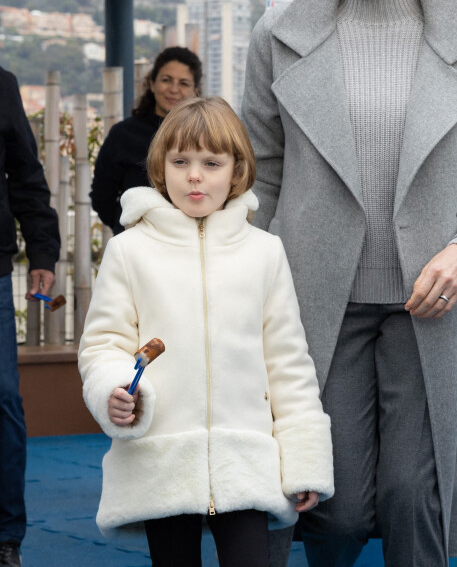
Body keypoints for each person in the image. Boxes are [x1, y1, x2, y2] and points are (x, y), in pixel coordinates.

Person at [241, 0, 457, 567]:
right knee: (332, 511)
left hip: (434, 301)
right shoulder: (278, 35)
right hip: (313, 298)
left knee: (413, 501)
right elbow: (258, 173)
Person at [78, 96, 334, 567]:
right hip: (160, 459)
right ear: (161, 168)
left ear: (236, 171)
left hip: (246, 459)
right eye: (181, 161)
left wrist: (304, 461)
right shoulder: (129, 251)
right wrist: (113, 389)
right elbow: (103, 345)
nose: (195, 175)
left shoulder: (265, 252)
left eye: (211, 162)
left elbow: (288, 363)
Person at [0, 66, 60, 567]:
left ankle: (5, 537)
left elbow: (25, 174)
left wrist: (42, 251)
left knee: (2, 400)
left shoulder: (1, 83)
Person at [91, 46, 202, 234]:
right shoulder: (124, 134)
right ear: (152, 84)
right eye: (166, 80)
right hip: (137, 245)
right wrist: (128, 227)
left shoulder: (203, 136)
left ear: (195, 90)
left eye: (183, 83)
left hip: (191, 242)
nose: (174, 89)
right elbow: (101, 197)